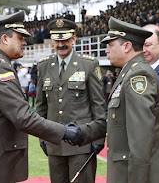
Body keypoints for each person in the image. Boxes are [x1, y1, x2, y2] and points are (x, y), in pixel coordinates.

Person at [0, 10, 83, 183]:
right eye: (20, 38)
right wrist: (65, 132)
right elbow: (23, 117)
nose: (25, 42)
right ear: (5, 39)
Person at [76, 17, 159, 183]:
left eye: (110, 45)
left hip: (137, 175)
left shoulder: (138, 76)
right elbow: (115, 120)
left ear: (127, 46)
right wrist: (80, 133)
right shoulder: (128, 73)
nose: (107, 50)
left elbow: (141, 139)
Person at [36, 19, 106, 183]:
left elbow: (98, 106)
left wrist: (98, 139)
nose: (61, 44)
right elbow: (41, 107)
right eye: (57, 40)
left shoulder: (88, 64)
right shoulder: (44, 66)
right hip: (54, 143)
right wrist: (42, 138)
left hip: (82, 144)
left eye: (65, 40)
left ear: (74, 39)